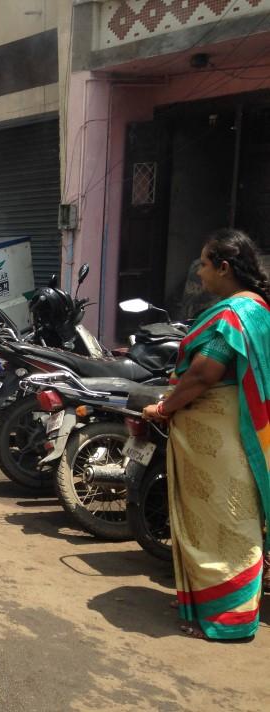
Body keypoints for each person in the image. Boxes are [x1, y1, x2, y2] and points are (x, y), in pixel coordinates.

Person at [142, 228, 270, 641]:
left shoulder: (233, 314)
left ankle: (230, 620)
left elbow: (204, 374)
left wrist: (164, 407)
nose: (199, 272)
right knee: (234, 519)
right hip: (242, 432)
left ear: (224, 267)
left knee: (226, 524)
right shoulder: (259, 310)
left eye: (203, 263)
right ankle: (218, 605)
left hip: (222, 439)